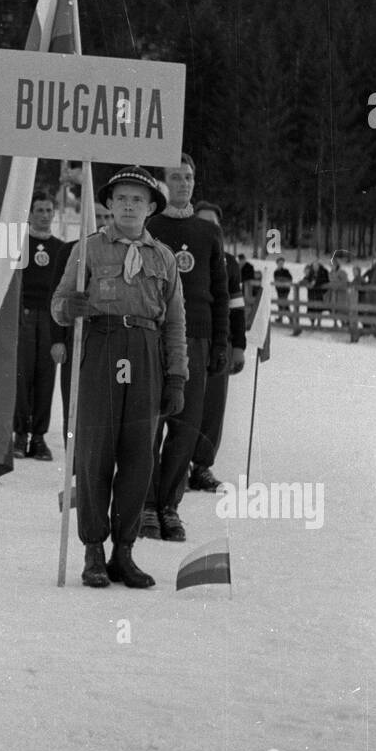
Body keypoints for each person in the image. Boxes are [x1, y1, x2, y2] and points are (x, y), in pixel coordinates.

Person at [51, 166, 187, 590]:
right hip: (102, 347)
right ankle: (93, 549)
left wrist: (176, 376)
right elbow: (58, 304)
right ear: (108, 204)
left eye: (138, 200)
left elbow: (175, 323)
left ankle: (123, 552)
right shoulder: (87, 250)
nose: (129, 206)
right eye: (122, 199)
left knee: (138, 456)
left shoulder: (163, 257)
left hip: (145, 352)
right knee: (95, 454)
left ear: (150, 209)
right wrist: (69, 308)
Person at [140, 154, 229, 542]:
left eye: (189, 177)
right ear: (164, 183)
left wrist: (221, 343)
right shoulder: (150, 226)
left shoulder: (208, 233)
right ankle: (145, 505)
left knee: (186, 426)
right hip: (155, 335)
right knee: (150, 424)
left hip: (198, 337)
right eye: (176, 177)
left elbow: (221, 294)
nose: (184, 183)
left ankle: (169, 506)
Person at [188, 202, 246, 492]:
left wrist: (239, 347)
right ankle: (173, 465)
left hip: (219, 342)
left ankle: (201, 466)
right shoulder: (184, 256)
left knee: (212, 407)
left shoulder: (229, 263)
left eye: (214, 225)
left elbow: (236, 308)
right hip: (187, 339)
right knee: (182, 404)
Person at [50, 201, 109, 447]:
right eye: (95, 215)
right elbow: (56, 296)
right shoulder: (70, 250)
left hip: (107, 339)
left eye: (105, 215)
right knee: (74, 406)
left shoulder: (119, 250)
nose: (101, 220)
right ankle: (73, 468)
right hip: (76, 340)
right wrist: (57, 339)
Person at [13, 190, 63, 461]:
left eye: (48, 210)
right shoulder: (18, 243)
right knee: (22, 376)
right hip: (24, 316)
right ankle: (19, 434)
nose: (44, 215)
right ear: (30, 214)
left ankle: (39, 437)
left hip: (50, 318)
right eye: (39, 210)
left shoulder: (60, 248)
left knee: (46, 377)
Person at [302, 259, 330, 326]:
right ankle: (312, 322)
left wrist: (315, 283)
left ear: (319, 265)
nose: (315, 267)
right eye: (314, 266)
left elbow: (325, 280)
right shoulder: (311, 272)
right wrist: (306, 283)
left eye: (316, 265)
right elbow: (307, 278)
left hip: (320, 293)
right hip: (311, 294)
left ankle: (318, 323)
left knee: (319, 309)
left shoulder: (323, 271)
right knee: (310, 309)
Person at [273, 255, 293, 324]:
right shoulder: (275, 272)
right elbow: (276, 281)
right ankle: (282, 318)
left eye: (282, 263)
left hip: (285, 290)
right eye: (279, 263)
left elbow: (290, 279)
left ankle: (290, 319)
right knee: (281, 304)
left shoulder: (286, 271)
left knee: (284, 304)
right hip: (279, 290)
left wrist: (283, 281)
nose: (281, 264)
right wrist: (281, 281)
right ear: (277, 263)